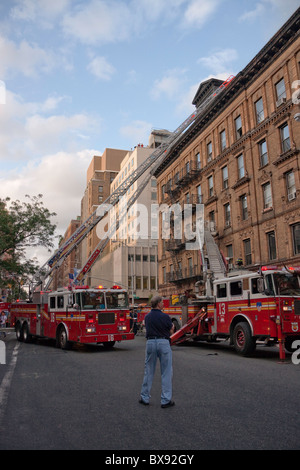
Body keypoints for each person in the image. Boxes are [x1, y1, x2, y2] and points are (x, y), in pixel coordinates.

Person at [139, 295, 175, 408]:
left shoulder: (147, 317)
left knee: (148, 370)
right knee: (166, 371)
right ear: (158, 304)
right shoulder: (165, 316)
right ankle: (165, 400)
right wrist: (171, 326)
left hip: (150, 342)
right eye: (162, 302)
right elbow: (171, 330)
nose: (164, 304)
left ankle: (144, 397)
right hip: (163, 343)